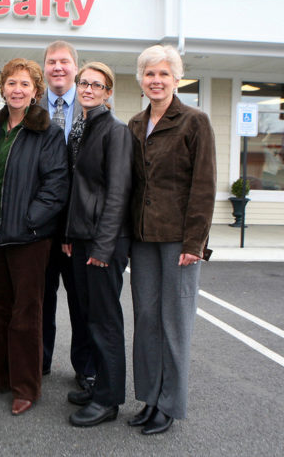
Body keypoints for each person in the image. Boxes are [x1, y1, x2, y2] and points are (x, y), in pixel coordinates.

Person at [128, 45, 216, 435]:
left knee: (174, 324)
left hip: (178, 241)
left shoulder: (194, 122)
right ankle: (149, 398)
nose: (156, 80)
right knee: (146, 322)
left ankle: (170, 404)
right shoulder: (134, 124)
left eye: (164, 74)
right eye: (150, 74)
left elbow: (204, 187)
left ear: (176, 79)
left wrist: (194, 243)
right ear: (141, 80)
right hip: (142, 240)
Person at [0, 58, 68, 416]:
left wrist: (30, 222)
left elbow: (56, 186)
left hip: (28, 237)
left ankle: (26, 386)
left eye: (25, 84)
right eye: (11, 83)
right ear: (2, 87)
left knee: (27, 312)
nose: (17, 89)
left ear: (36, 92)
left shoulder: (48, 132)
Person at [62, 62, 133, 427]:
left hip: (105, 242)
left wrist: (103, 249)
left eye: (96, 85)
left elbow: (118, 194)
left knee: (105, 321)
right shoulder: (83, 127)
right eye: (83, 83)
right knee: (89, 318)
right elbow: (80, 190)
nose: (88, 89)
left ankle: (108, 400)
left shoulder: (115, 131)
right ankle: (97, 386)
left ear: (108, 92)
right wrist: (71, 237)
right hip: (83, 238)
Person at [38, 41, 96, 393]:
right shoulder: (30, 106)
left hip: (80, 225)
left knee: (82, 301)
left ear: (75, 67)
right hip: (42, 224)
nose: (57, 67)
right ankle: (39, 361)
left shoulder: (94, 107)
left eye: (64, 62)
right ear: (43, 68)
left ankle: (86, 367)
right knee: (40, 298)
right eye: (51, 62)